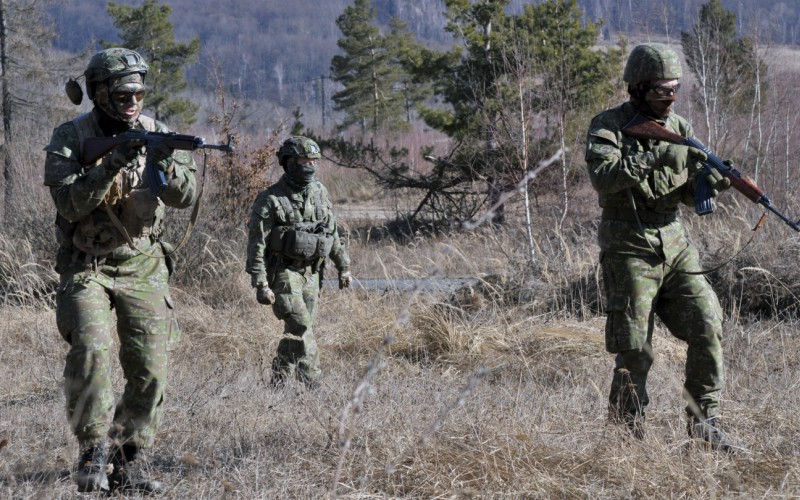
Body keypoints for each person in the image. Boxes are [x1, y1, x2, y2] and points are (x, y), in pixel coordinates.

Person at [44, 48, 198, 493]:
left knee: (151, 367)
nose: (133, 101)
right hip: (86, 263)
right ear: (98, 92)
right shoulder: (72, 137)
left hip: (142, 263)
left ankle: (129, 459)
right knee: (90, 348)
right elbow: (69, 203)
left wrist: (164, 161)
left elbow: (183, 198)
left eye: (139, 93)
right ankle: (93, 451)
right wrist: (111, 162)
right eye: (122, 93)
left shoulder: (157, 132)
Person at [584, 43, 737, 450]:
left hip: (675, 244)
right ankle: (625, 437)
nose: (668, 98)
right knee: (635, 349)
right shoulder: (608, 126)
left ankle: (705, 423)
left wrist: (709, 183)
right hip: (629, 247)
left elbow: (685, 194)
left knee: (708, 323)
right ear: (637, 89)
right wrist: (648, 156)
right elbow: (604, 178)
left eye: (674, 89)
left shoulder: (681, 129)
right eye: (659, 91)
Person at [246, 136, 351, 388]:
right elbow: (256, 245)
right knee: (302, 326)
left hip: (312, 274)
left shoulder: (320, 192)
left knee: (296, 331)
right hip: (283, 273)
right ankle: (312, 386)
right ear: (289, 162)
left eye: (314, 161)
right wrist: (261, 284)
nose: (310, 166)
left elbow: (331, 232)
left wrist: (343, 266)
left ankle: (277, 382)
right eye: (304, 160)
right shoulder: (270, 199)